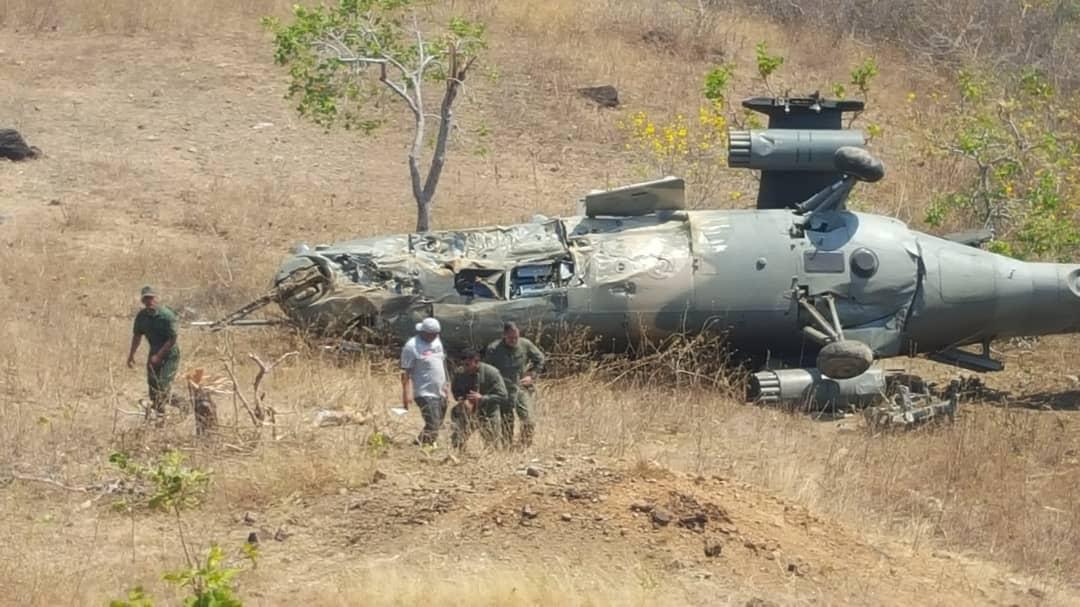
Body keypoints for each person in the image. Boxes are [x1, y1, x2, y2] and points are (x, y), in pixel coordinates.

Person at [484, 321, 545, 447]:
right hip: (503, 390)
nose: (514, 340)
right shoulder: (493, 349)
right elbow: (488, 371)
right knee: (507, 421)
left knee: (529, 420)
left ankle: (524, 446)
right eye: (511, 338)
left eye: (516, 337)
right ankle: (507, 447)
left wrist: (532, 376)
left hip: (521, 387)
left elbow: (540, 359)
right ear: (504, 335)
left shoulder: (525, 344)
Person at [127, 286, 181, 424]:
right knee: (152, 385)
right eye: (146, 298)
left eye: (151, 298)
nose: (149, 301)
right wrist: (131, 355)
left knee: (162, 384)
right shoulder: (142, 317)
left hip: (169, 353)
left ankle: (182, 404)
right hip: (154, 350)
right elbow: (137, 336)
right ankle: (159, 415)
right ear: (142, 300)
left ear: (156, 298)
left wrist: (159, 356)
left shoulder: (166, 315)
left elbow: (173, 338)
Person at [400, 317, 451, 446]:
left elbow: (442, 362)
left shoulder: (437, 341)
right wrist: (406, 395)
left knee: (437, 423)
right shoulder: (411, 346)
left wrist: (447, 383)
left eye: (436, 334)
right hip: (424, 391)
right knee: (433, 425)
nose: (435, 337)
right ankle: (420, 449)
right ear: (423, 332)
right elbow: (405, 373)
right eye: (432, 335)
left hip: (440, 390)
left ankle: (418, 445)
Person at [449, 349, 508, 451]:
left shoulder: (492, 373)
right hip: (468, 413)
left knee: (492, 445)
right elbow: (456, 392)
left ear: (476, 362)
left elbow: (503, 396)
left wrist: (482, 398)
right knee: (457, 441)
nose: (465, 367)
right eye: (463, 364)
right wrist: (464, 401)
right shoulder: (460, 373)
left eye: (468, 364)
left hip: (489, 412)